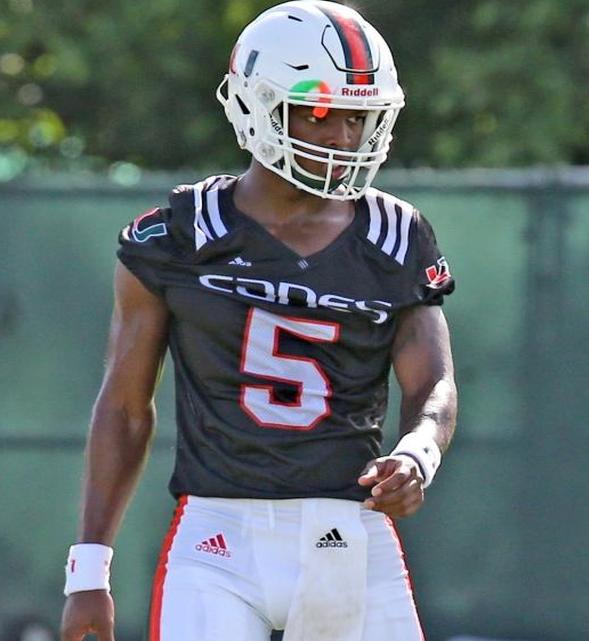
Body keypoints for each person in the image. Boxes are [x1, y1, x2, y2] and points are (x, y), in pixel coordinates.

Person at [59, 2, 457, 640]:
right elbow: (126, 407)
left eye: (358, 116)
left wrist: (417, 453)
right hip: (216, 538)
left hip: (349, 531)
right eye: (320, 112)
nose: (343, 137)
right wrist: (88, 569)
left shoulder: (396, 236)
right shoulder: (178, 235)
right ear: (256, 104)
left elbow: (432, 384)